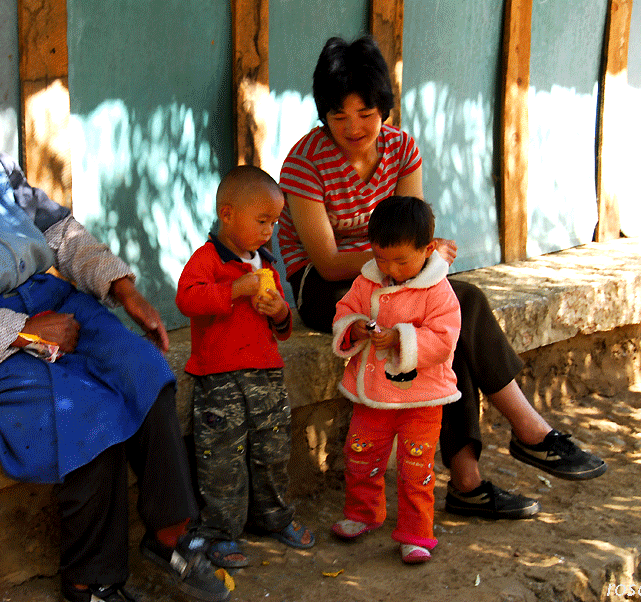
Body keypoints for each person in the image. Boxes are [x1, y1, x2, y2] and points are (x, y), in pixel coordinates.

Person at [0, 56, 229, 602]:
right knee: (86, 416)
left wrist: (123, 290)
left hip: (58, 304)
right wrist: (24, 331)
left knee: (143, 370)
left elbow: (60, 231)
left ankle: (171, 536)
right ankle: (90, 582)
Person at [278, 36, 607, 521]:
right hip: (328, 288)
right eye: (339, 115)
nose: (353, 127)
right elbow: (325, 261)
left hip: (394, 274)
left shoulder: (402, 149)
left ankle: (472, 481)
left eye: (366, 113)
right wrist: (409, 258)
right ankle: (523, 436)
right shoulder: (305, 161)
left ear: (384, 108)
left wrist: (426, 253)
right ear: (323, 114)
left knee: (445, 314)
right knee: (458, 303)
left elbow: (411, 226)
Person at [175, 165, 315, 569]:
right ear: (228, 214)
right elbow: (188, 300)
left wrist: (279, 312)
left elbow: (283, 327)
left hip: (266, 378)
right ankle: (219, 533)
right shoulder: (207, 260)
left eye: (273, 221)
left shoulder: (267, 265)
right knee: (222, 460)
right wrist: (235, 290)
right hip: (219, 381)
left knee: (272, 451)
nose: (268, 230)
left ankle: (273, 518)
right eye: (261, 221)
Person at [331, 195, 460, 564]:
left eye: (402, 260)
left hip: (421, 399)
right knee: (359, 455)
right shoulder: (367, 280)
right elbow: (346, 311)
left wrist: (402, 338)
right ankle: (363, 513)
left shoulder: (439, 291)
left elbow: (443, 338)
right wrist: (354, 329)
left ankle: (416, 532)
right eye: (381, 257)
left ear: (428, 249)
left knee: (416, 467)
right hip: (372, 395)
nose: (391, 268)